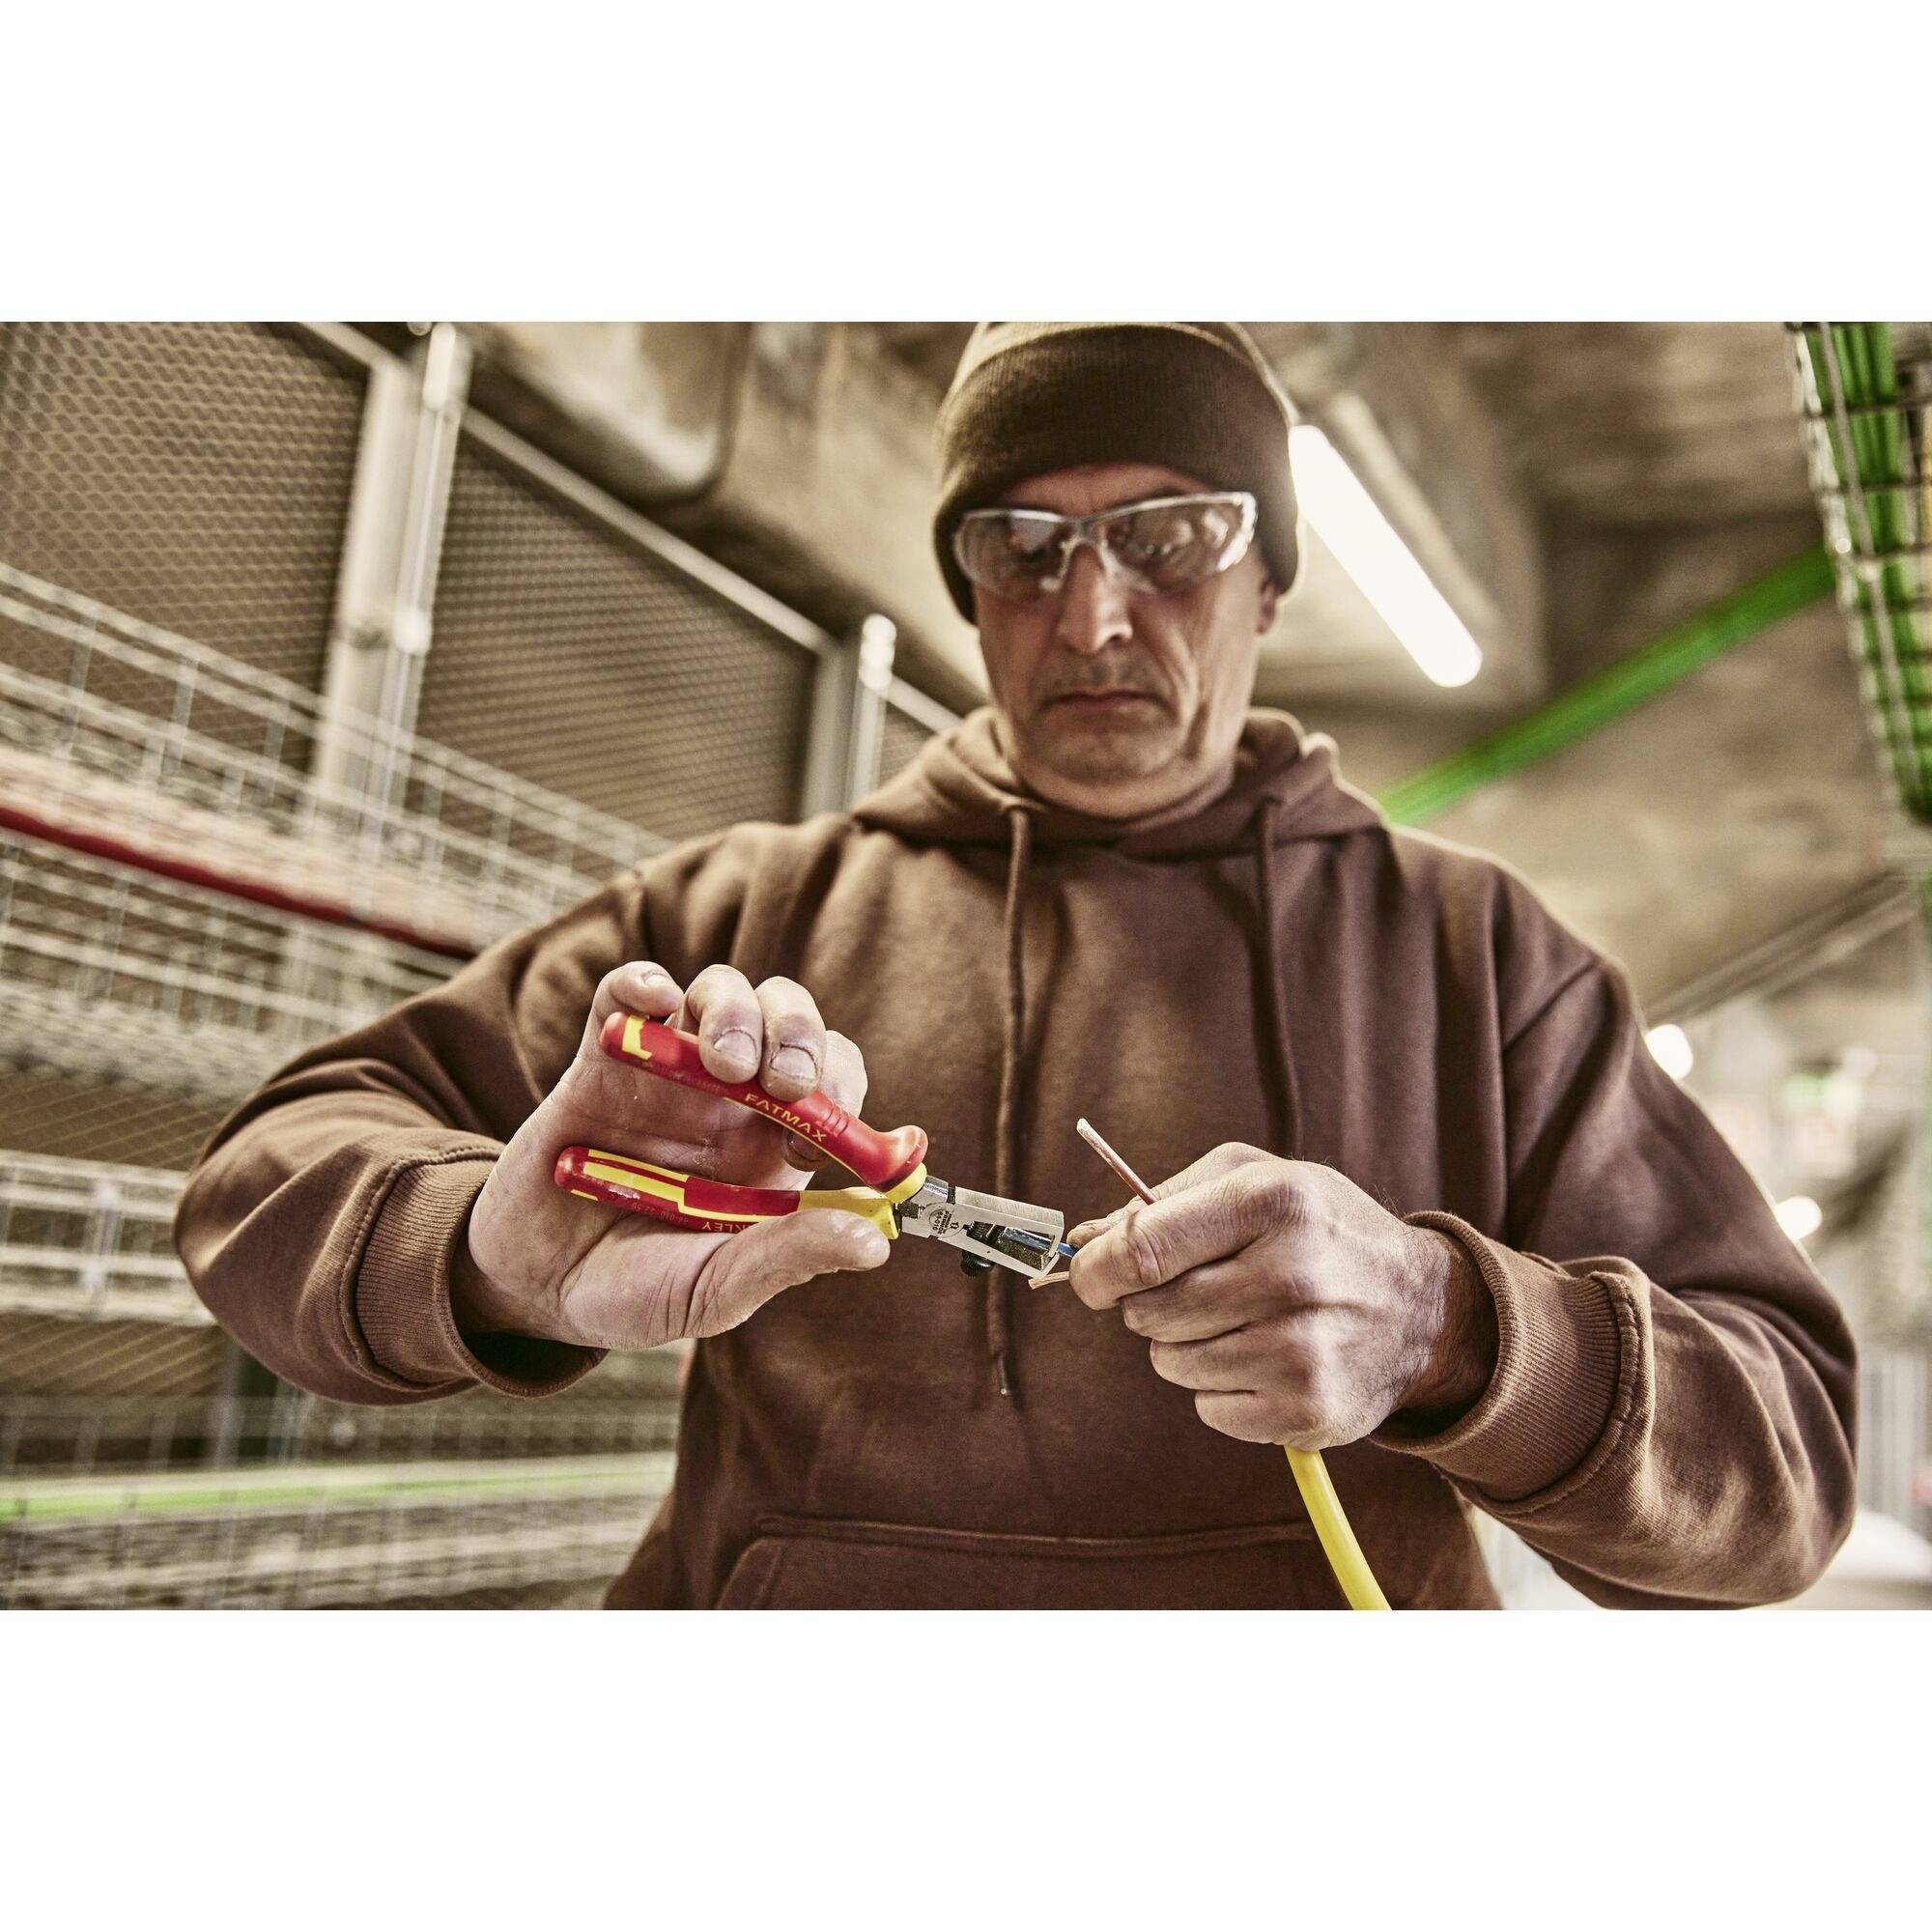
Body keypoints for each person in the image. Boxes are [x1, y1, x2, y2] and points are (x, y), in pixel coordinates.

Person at [176, 322, 1858, 1608]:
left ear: (1270, 577)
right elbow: (262, 1182)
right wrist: (488, 1254)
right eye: (1024, 545)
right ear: (968, 591)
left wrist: (1459, 1334)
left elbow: (1785, 1476)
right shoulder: (729, 934)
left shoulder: (1480, 959)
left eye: (1173, 536)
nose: (1097, 616)